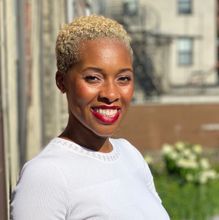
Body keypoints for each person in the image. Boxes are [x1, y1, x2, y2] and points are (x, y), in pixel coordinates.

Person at [11, 15, 170, 220]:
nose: (111, 94)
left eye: (123, 79)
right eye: (93, 78)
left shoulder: (130, 155)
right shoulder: (45, 175)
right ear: (61, 82)